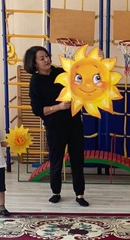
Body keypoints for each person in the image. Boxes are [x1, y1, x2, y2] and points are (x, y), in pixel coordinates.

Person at [26, 45, 88, 207]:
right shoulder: (35, 82)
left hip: (74, 123)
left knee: (77, 160)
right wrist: (59, 107)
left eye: (47, 56)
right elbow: (37, 110)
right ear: (34, 63)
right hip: (54, 127)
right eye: (42, 58)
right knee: (56, 160)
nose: (47, 60)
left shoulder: (61, 72)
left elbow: (81, 78)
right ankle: (56, 192)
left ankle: (80, 194)